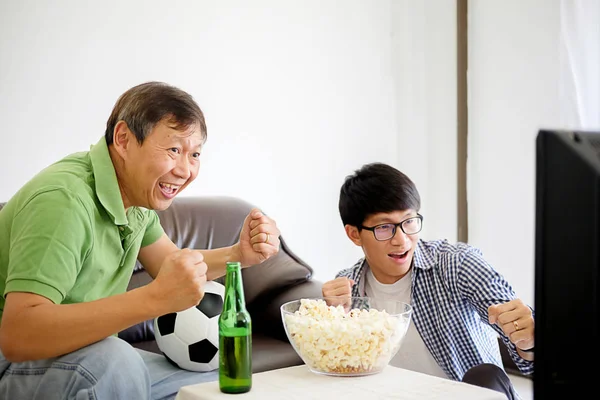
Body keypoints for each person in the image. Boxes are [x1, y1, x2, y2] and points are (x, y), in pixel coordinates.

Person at [0, 81, 281, 400]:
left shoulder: (134, 198)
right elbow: (18, 335)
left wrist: (239, 254)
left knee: (209, 383)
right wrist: (153, 299)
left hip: (80, 355)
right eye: (174, 150)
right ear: (123, 139)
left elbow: (172, 266)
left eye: (195, 154)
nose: (186, 170)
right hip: (12, 363)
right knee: (117, 362)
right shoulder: (63, 202)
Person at [322, 162, 534, 400]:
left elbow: (527, 354)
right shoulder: (347, 287)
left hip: (472, 394)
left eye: (409, 221)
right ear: (354, 234)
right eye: (384, 227)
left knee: (485, 375)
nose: (401, 240)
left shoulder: (457, 264)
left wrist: (527, 341)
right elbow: (343, 378)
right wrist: (328, 321)